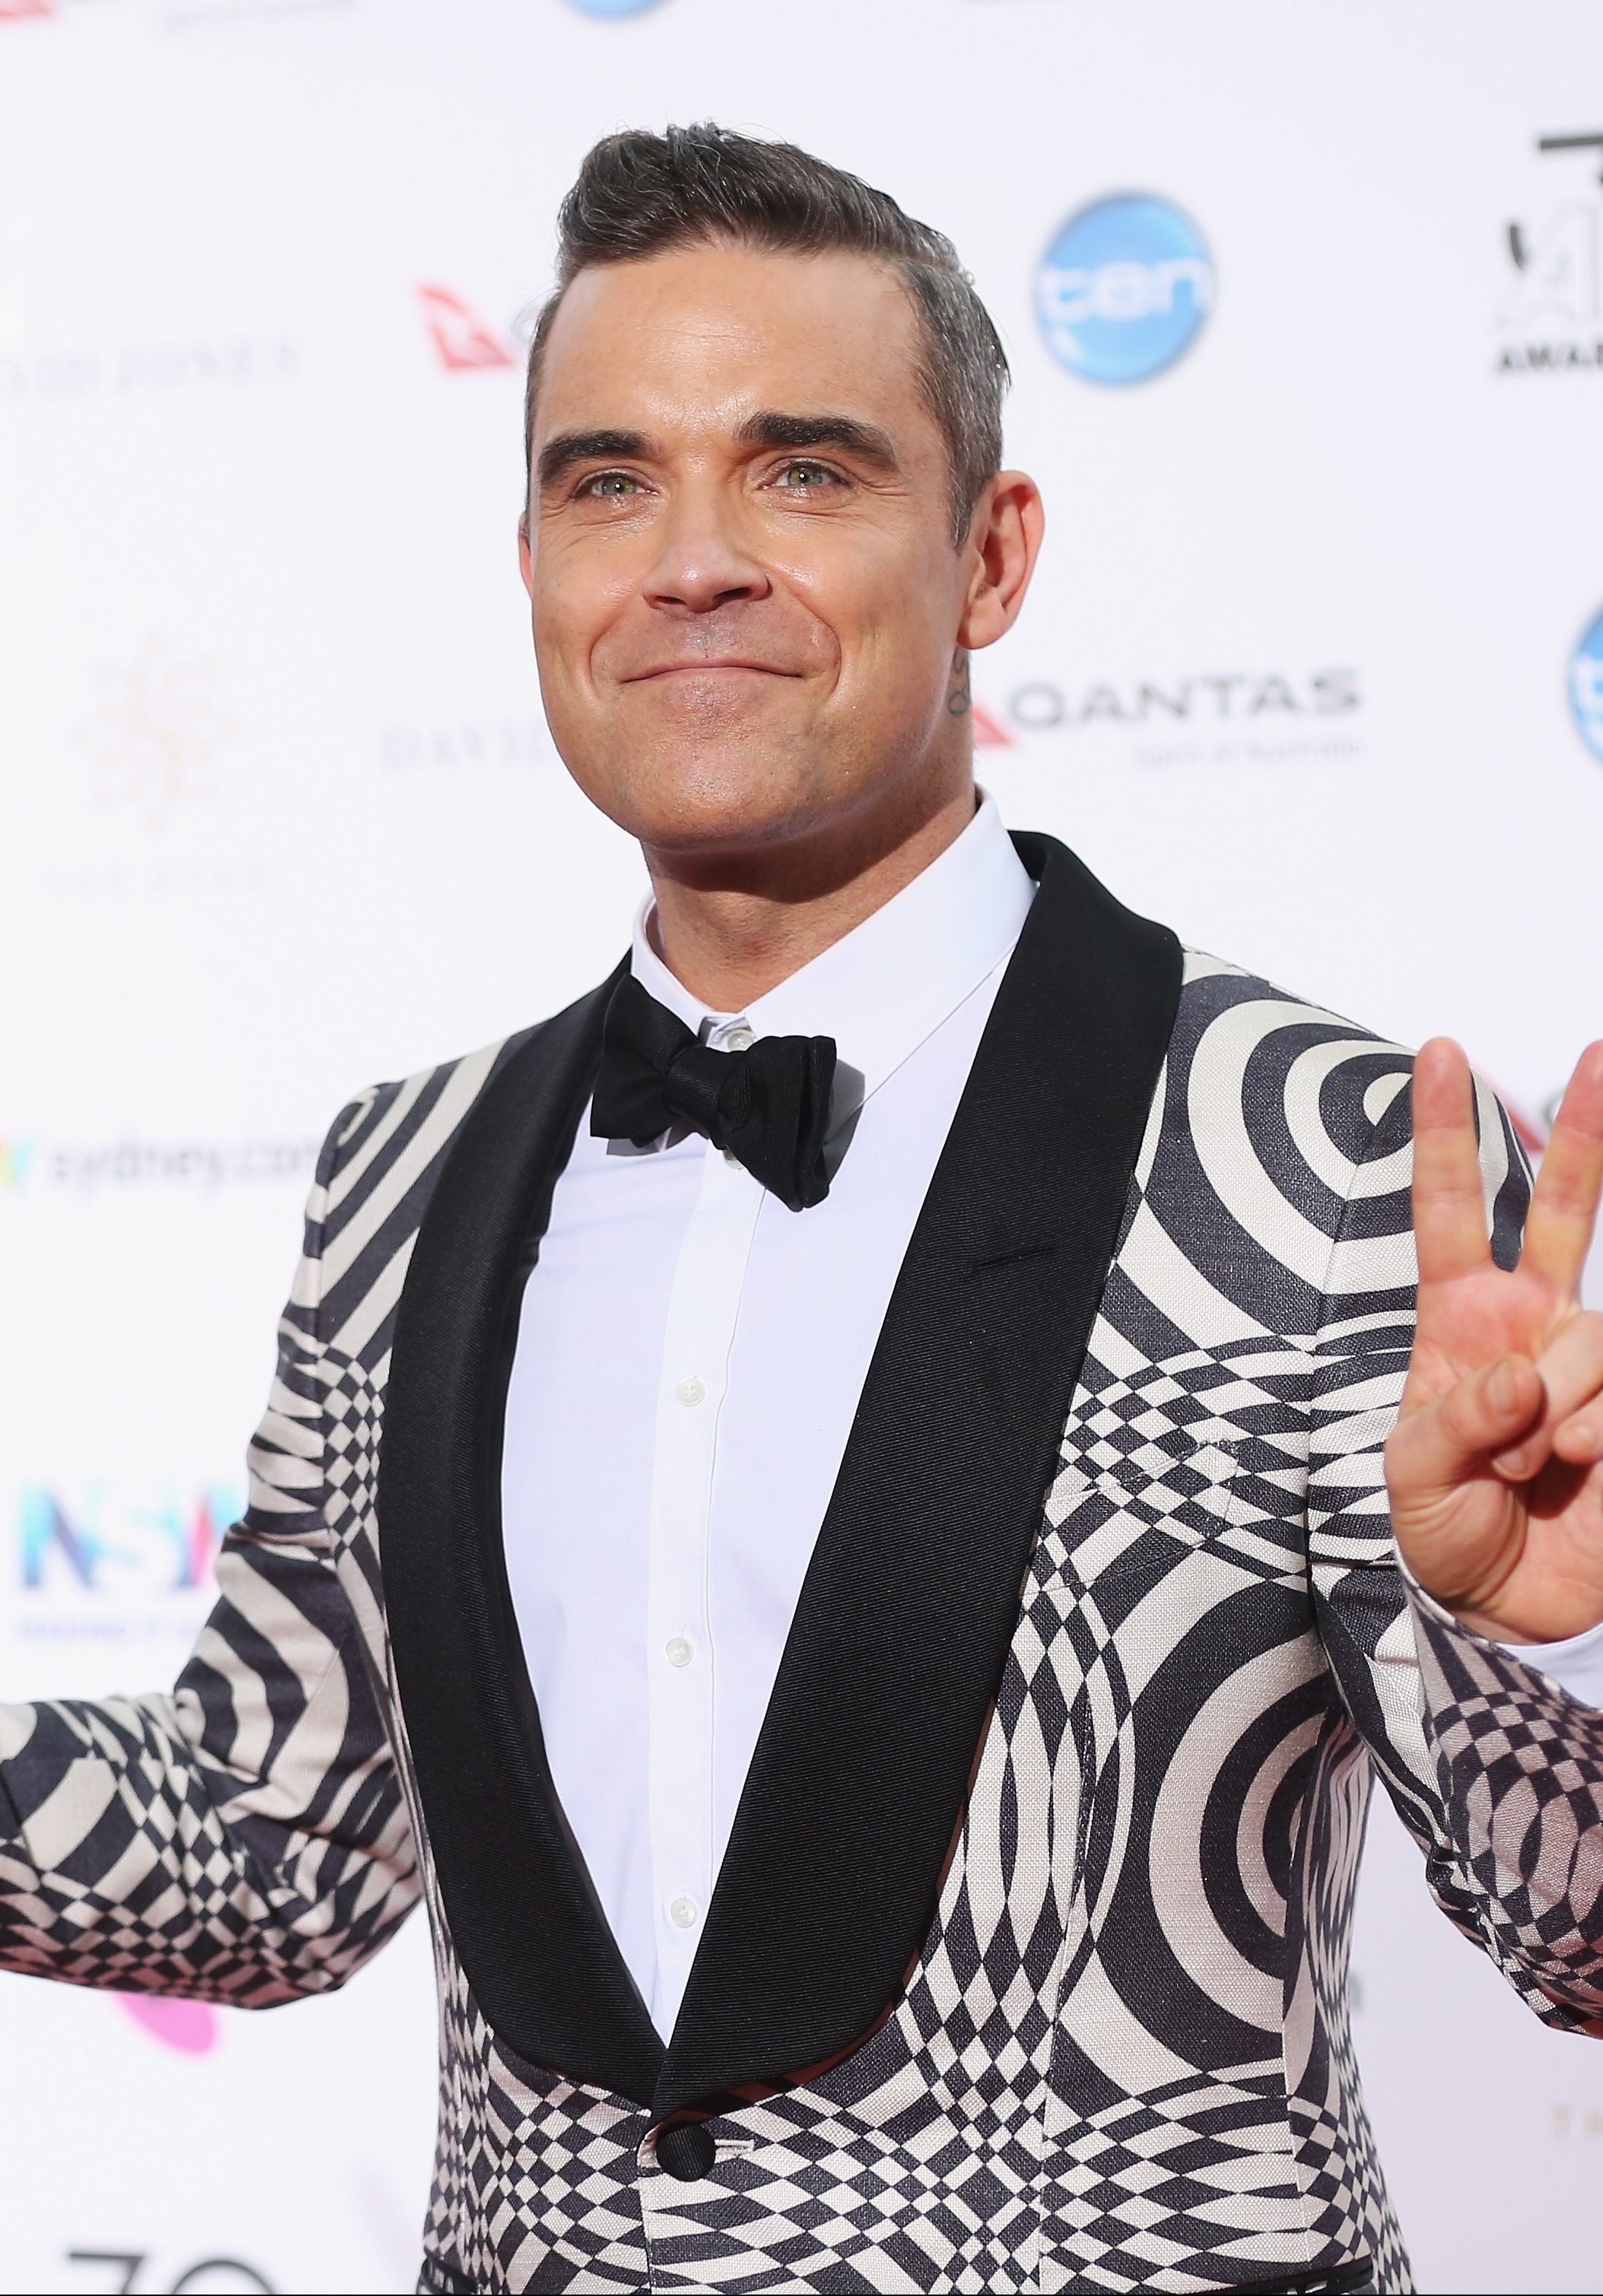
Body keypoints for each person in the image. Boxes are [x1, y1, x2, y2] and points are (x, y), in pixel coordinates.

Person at [3, 124, 1602, 2296]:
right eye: (606, 481)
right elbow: (268, 1852)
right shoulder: (403, 1173)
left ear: (992, 555)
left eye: (804, 469)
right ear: (535, 563)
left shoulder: (1316, 1157)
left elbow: (1571, 1928)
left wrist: (1533, 1636)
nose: (688, 562)